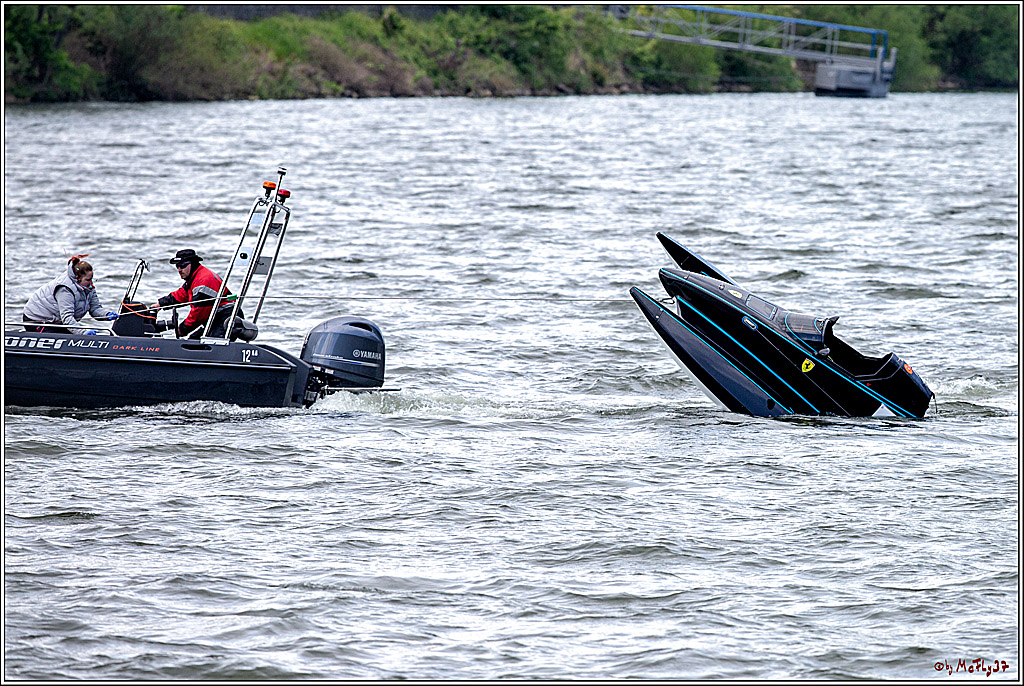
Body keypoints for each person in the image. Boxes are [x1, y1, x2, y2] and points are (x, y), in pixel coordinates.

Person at [151, 249, 241, 339]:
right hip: (214, 318)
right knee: (192, 342)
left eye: (182, 265)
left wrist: (182, 329)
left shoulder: (202, 281)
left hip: (226, 317)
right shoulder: (194, 278)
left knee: (200, 346)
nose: (179, 269)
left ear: (193, 264)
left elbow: (198, 314)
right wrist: (160, 304)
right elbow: (181, 294)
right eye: (177, 266)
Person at [22, 255, 118, 334]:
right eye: (88, 280)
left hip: (58, 321)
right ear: (77, 278)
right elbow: (67, 317)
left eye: (92, 279)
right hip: (37, 320)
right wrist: (83, 332)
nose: (91, 282)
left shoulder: (89, 288)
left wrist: (106, 314)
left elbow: (95, 309)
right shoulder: (65, 289)